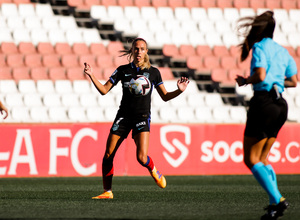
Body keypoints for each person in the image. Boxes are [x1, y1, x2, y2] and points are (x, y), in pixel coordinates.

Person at [83, 38, 189, 199]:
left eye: (142, 49)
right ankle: (107, 191)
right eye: (136, 49)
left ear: (146, 52)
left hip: (142, 116)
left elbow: (165, 96)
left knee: (141, 157)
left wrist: (179, 90)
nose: (139, 52)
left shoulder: (154, 72)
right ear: (132, 51)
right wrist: (91, 75)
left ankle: (154, 171)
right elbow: (104, 90)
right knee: (108, 155)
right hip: (123, 116)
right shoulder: (122, 70)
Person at [235, 11, 298, 220]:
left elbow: (260, 75)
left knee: (250, 159)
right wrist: (277, 81)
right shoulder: (282, 51)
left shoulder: (260, 47)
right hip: (281, 104)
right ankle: (273, 204)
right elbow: (294, 80)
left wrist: (246, 81)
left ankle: (278, 199)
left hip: (263, 102)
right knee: (263, 158)